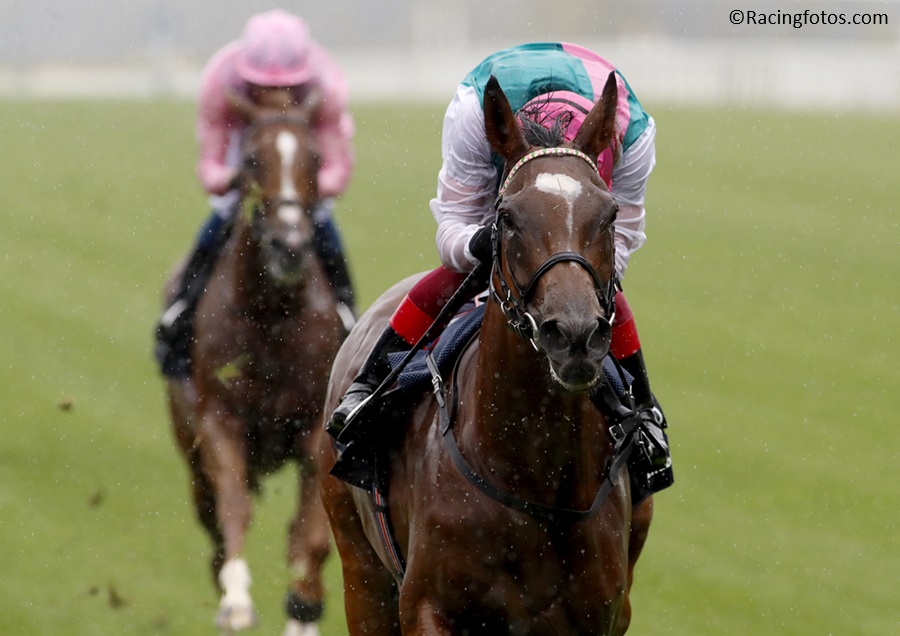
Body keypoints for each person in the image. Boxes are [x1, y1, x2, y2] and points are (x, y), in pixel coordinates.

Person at [328, 42, 673, 497]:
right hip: (497, 196)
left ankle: (643, 413)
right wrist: (488, 242)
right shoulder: (474, 114)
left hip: (575, 206)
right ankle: (369, 386)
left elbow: (623, 234)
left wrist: (578, 274)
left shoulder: (633, 132)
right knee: (457, 277)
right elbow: (452, 228)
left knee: (598, 294)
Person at [156, 8, 356, 375]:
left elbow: (337, 166)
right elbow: (211, 164)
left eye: (288, 86)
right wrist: (232, 180)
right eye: (263, 84)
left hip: (299, 168)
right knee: (219, 222)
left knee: (326, 233)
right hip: (246, 154)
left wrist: (300, 192)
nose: (277, 91)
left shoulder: (326, 85)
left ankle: (346, 314)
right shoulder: (221, 80)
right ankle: (181, 311)